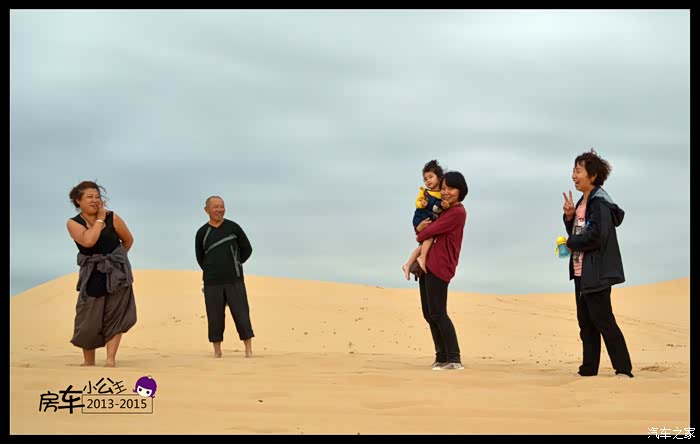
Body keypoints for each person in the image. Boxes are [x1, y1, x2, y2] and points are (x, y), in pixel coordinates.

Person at [562, 149, 634, 378]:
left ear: (592, 175)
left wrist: (571, 242)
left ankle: (623, 369)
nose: (574, 175)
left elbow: (597, 236)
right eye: (573, 170)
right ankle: (588, 369)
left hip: (597, 271)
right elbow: (579, 232)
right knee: (586, 323)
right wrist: (570, 217)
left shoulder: (599, 203)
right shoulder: (583, 202)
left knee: (603, 320)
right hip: (581, 271)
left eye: (578, 171)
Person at [66, 181, 137, 367]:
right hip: (92, 273)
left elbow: (128, 240)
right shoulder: (73, 223)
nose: (95, 200)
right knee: (88, 319)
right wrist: (99, 220)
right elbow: (88, 241)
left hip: (117, 274)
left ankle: (110, 360)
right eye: (89, 197)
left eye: (97, 196)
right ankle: (88, 361)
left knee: (116, 315)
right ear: (78, 200)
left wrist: (117, 261)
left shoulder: (113, 218)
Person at [414, 171, 468, 370]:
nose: (446, 192)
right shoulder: (444, 210)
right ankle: (441, 356)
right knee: (429, 313)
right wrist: (420, 229)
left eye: (451, 188)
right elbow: (423, 229)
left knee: (438, 312)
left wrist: (420, 232)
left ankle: (454, 358)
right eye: (443, 188)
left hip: (440, 265)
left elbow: (426, 232)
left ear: (460, 191)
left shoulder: (457, 212)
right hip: (427, 265)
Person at [195, 196, 254, 358]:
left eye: (222, 206)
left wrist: (236, 263)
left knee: (242, 314)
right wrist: (211, 269)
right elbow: (200, 257)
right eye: (215, 207)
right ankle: (217, 351)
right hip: (212, 282)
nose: (219, 210)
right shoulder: (202, 232)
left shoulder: (233, 227)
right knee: (215, 317)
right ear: (206, 210)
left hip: (234, 279)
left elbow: (247, 249)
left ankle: (248, 350)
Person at [402, 160, 450, 280]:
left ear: (439, 178)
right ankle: (422, 258)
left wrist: (446, 205)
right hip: (421, 217)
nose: (428, 180)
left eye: (430, 177)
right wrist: (421, 204)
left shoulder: (442, 194)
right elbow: (417, 202)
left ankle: (408, 264)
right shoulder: (424, 192)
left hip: (429, 220)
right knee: (429, 238)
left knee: (424, 244)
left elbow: (444, 208)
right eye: (425, 179)